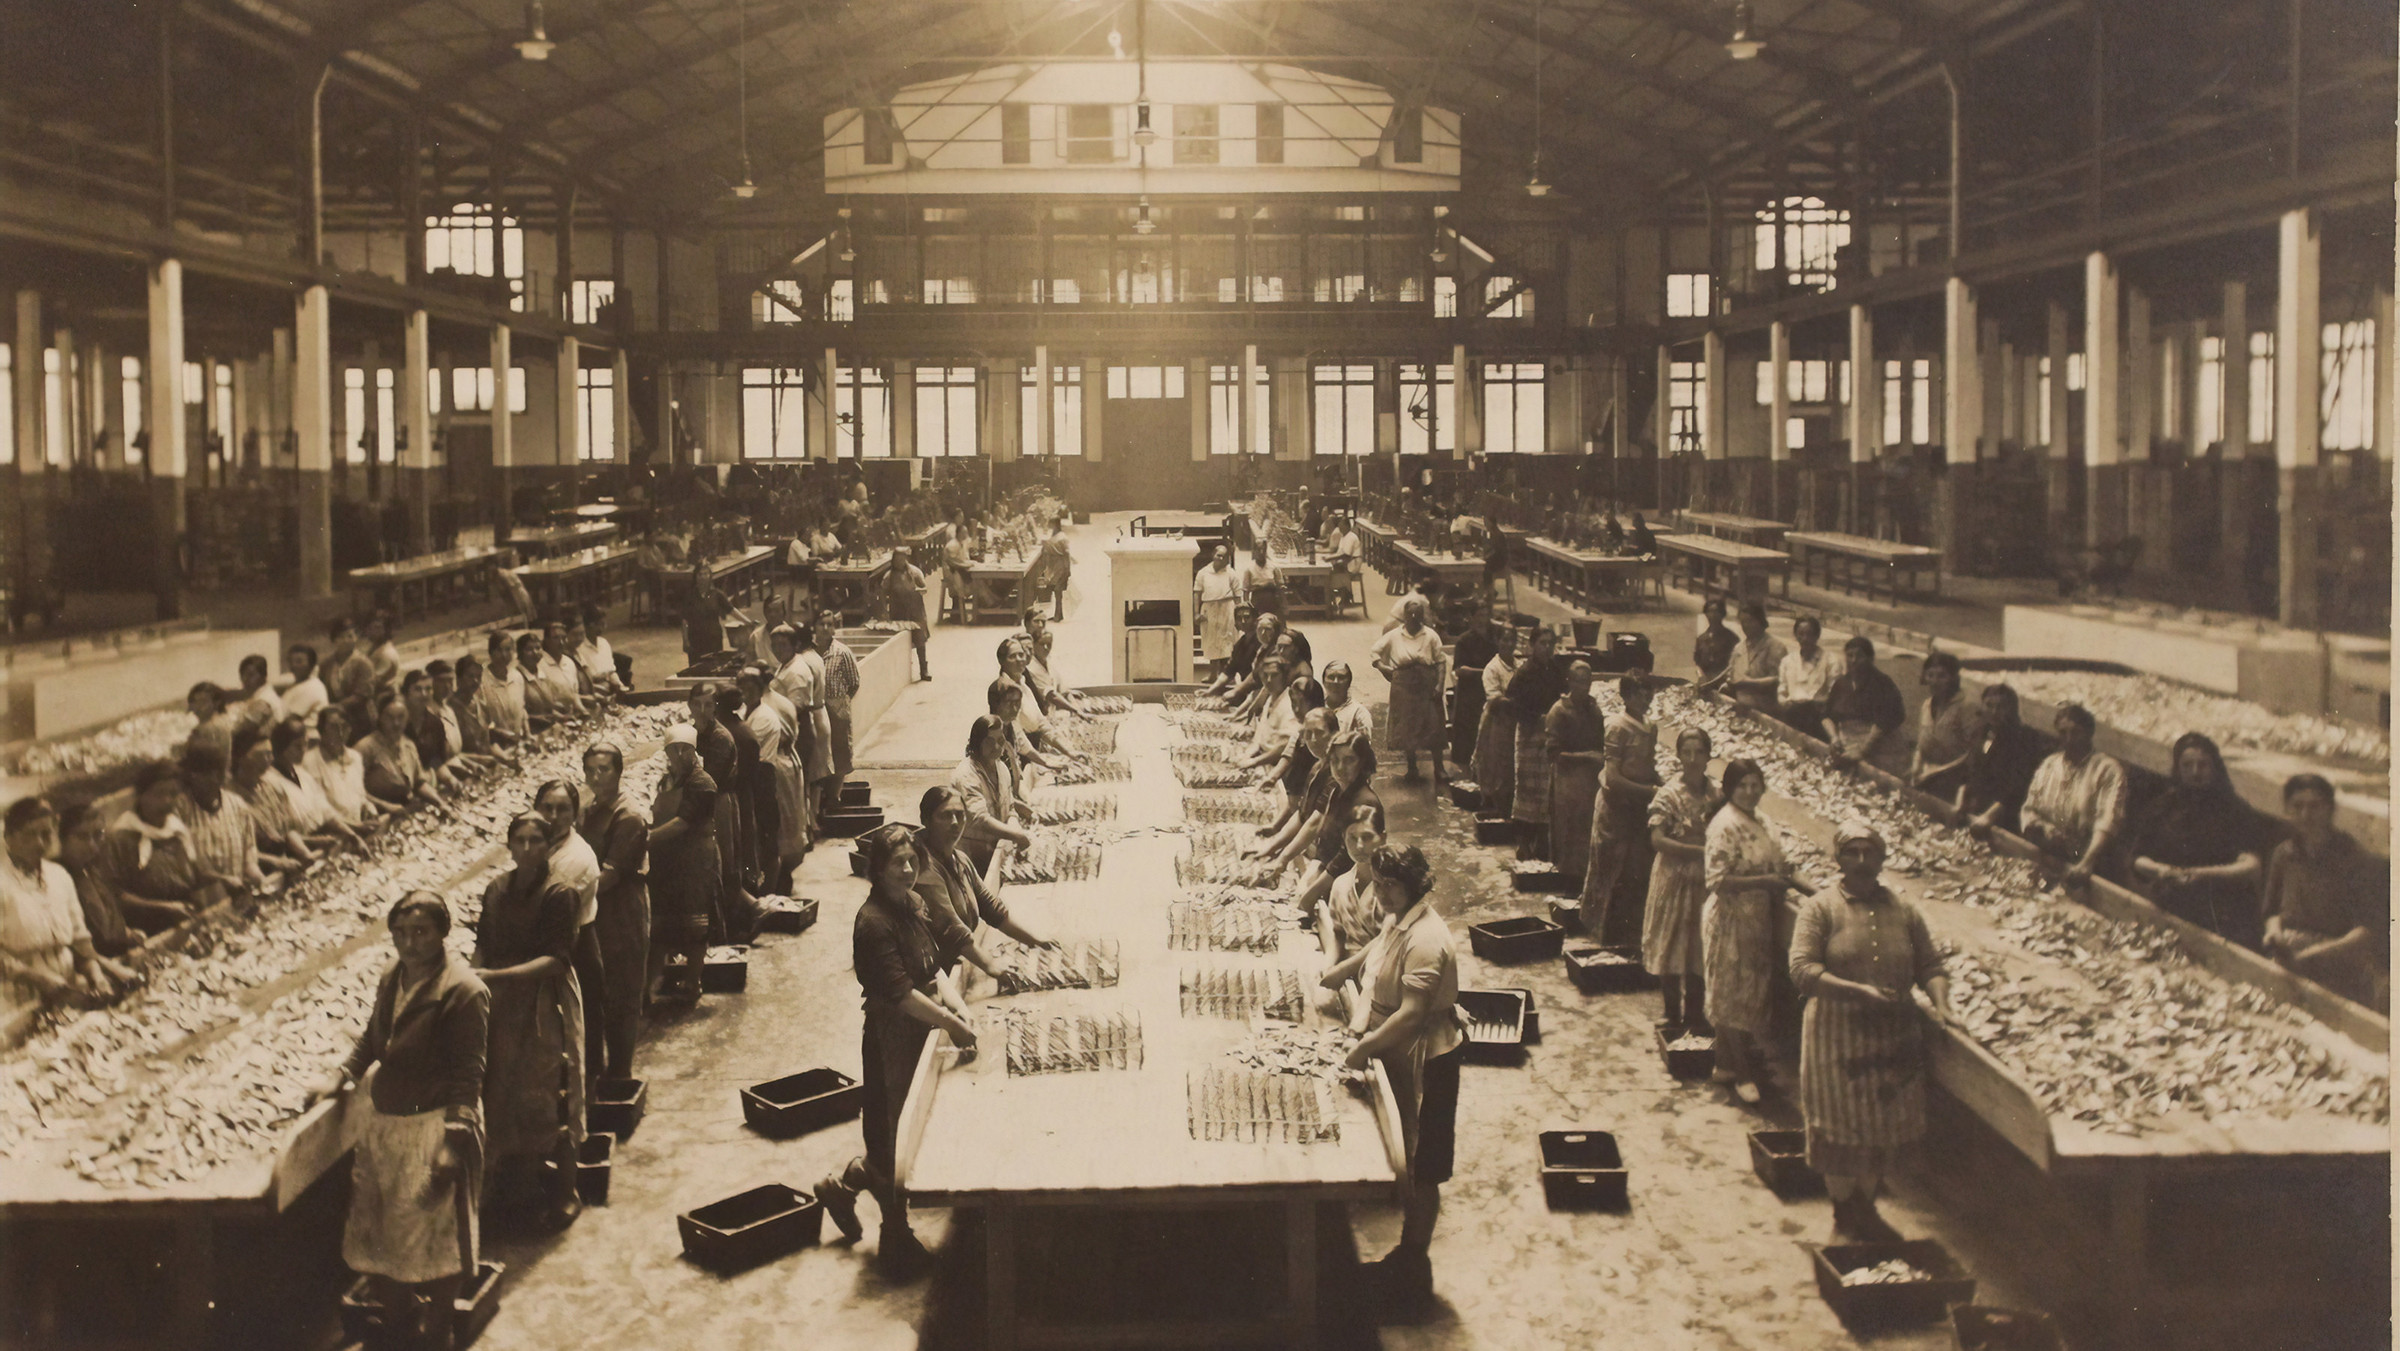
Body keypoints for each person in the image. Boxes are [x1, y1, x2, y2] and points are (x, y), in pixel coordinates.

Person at [310, 892, 489, 1349]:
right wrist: (342, 1075)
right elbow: (373, 1038)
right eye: (401, 933)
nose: (409, 943)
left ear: (443, 933)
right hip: (386, 1125)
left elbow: (469, 1075)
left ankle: (439, 1333)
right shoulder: (394, 976)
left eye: (421, 932)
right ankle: (398, 1326)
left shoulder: (463, 991)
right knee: (386, 1235)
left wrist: (454, 1142)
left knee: (436, 1239)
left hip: (433, 1127)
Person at [817, 823, 985, 1276]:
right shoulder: (872, 922)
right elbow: (901, 994)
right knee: (896, 1136)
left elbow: (934, 971)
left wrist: (958, 1010)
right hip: (892, 1035)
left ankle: (841, 1185)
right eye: (898, 863)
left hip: (921, 1025)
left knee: (903, 1133)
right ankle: (896, 1238)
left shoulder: (914, 903)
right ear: (877, 868)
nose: (908, 870)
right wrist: (951, 1023)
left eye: (913, 860)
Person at [1790, 820, 1955, 1244]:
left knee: (1882, 1127)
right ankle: (1846, 1213)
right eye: (1853, 852)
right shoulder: (1821, 908)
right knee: (1838, 1128)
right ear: (1839, 858)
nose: (1862, 862)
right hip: (1835, 1036)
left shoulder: (1904, 910)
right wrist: (1858, 992)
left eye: (1870, 853)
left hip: (1891, 1037)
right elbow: (1803, 970)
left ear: (1882, 859)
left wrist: (1942, 1006)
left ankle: (1865, 1208)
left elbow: (1931, 965)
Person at [1321, 845, 1462, 1303]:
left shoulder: (1427, 938)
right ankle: (1405, 1261)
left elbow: (1413, 1014)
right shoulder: (1396, 919)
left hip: (1428, 1058)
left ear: (1414, 886)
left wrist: (1362, 1046)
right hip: (1395, 1049)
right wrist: (1347, 976)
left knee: (1423, 1167)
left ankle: (1414, 1269)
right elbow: (1376, 958)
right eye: (1377, 883)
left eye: (1390, 885)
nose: (1380, 893)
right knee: (1403, 1153)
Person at [474, 814, 585, 1230]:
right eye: (518, 840)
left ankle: (566, 1191)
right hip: (501, 1006)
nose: (525, 848)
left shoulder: (560, 894)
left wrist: (497, 978)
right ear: (508, 845)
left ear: (547, 846)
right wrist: (473, 983)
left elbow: (556, 960)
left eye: (535, 841)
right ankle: (515, 1189)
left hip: (542, 1004)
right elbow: (483, 945)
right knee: (501, 1093)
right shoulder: (496, 890)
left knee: (551, 1092)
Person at [1704, 758, 1797, 1106]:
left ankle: (1725, 1064)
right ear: (1729, 788)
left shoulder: (1765, 822)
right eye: (1742, 785)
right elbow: (1716, 880)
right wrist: (1765, 882)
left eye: (1755, 784)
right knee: (1730, 997)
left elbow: (1786, 867)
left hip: (1756, 920)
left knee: (1746, 995)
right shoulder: (1724, 825)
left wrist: (1820, 894)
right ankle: (1742, 1073)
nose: (1749, 791)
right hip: (1729, 920)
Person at [2125, 733, 2271, 944]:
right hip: (2173, 904)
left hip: (2222, 912)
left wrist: (2203, 874)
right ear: (2178, 768)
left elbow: (2252, 866)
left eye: (2202, 765)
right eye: (2187, 765)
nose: (2195, 772)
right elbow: (2138, 858)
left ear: (2214, 768)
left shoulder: (2234, 809)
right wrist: (2160, 871)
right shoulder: (2163, 807)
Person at [2260, 774, 2387, 1009]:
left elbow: (2366, 932)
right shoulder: (2284, 854)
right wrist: (2274, 933)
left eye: (2315, 807)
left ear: (2330, 810)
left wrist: (2313, 955)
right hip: (2291, 953)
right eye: (2297, 807)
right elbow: (2271, 911)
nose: (2306, 815)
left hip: (2339, 962)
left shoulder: (2354, 858)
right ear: (2287, 809)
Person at [3, 798, 136, 1006]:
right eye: (30, 835)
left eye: (46, 834)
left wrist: (96, 975)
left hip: (69, 987)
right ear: (8, 837)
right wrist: (39, 979)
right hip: (18, 995)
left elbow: (80, 941)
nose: (39, 843)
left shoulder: (59, 876)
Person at [579, 743, 650, 1083]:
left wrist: (566, 894)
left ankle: (621, 1071)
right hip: (595, 910)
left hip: (621, 909)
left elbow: (609, 877)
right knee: (600, 990)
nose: (596, 777)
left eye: (603, 769)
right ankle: (601, 1070)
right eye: (590, 770)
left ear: (619, 771)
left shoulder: (629, 817)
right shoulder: (592, 810)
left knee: (622, 989)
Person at [912, 786, 1054, 949]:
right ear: (926, 820)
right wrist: (991, 967)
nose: (954, 823)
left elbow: (991, 909)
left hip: (961, 951)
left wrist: (1035, 940)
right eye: (945, 816)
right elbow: (951, 928)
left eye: (960, 815)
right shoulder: (922, 867)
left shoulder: (960, 859)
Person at [1643, 728, 1718, 1034]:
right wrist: (1698, 850)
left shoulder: (1716, 795)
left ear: (1708, 756)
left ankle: (1696, 1013)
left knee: (1699, 947)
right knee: (1671, 942)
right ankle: (1672, 1012)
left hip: (1704, 881)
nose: (1692, 759)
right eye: (1686, 752)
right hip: (1673, 878)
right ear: (1678, 755)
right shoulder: (1669, 794)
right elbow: (1658, 840)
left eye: (1698, 752)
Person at [535, 779, 606, 1090]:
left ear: (575, 815)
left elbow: (542, 909)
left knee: (580, 1030)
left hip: (574, 949)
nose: (553, 815)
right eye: (546, 807)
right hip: (550, 945)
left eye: (562, 809)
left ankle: (585, 1101)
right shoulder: (542, 843)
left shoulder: (576, 858)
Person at [1581, 676, 1662, 946]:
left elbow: (1648, 766)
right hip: (1615, 807)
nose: (1645, 699)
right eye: (1638, 694)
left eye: (1647, 693)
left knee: (1634, 871)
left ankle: (1629, 934)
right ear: (1626, 697)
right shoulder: (1616, 727)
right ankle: (1602, 931)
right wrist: (1650, 791)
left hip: (1637, 809)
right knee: (1609, 866)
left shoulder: (1651, 727)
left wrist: (1663, 785)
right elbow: (1613, 778)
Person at [646, 726, 719, 1002]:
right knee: (662, 922)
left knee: (695, 923)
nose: (678, 754)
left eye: (684, 749)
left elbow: (682, 823)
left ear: (693, 751)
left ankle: (692, 981)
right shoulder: (667, 781)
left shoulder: (703, 783)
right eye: (673, 749)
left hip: (694, 862)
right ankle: (655, 982)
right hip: (666, 861)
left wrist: (646, 839)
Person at [2019, 704, 2127, 883]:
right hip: (2051, 854)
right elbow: (2030, 808)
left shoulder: (2107, 769)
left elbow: (2108, 820)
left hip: (2091, 862)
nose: (2069, 739)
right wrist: (2045, 829)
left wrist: (2087, 862)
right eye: (2063, 733)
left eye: (2076, 732)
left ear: (2089, 733)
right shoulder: (2050, 765)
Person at [58, 801, 171, 954]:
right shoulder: (59, 879)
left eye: (98, 835)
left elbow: (115, 900)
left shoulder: (93, 868)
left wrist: (127, 931)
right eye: (82, 836)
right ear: (63, 839)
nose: (92, 845)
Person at [734, 666, 806, 891]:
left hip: (769, 773)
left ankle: (778, 881)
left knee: (775, 831)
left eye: (750, 689)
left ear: (760, 689)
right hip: (764, 772)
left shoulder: (764, 716)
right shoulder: (751, 712)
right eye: (742, 690)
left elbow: (753, 756)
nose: (746, 694)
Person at [1369, 596, 1448, 789]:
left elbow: (1441, 661)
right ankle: (1412, 767)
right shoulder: (1394, 635)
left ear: (1422, 617)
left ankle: (1439, 767)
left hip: (1426, 681)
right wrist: (1383, 667)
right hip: (1403, 683)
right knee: (1406, 726)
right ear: (1404, 617)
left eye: (1417, 615)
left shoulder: (1431, 635)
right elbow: (1374, 652)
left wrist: (1439, 685)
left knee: (1433, 725)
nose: (1414, 618)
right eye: (1410, 615)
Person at [1544, 660, 1606, 896]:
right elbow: (1553, 754)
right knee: (1569, 831)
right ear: (1569, 682)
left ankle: (1584, 883)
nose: (1585, 686)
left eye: (1588, 681)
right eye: (1579, 681)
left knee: (1588, 831)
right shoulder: (1558, 711)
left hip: (1590, 782)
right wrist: (1586, 757)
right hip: (1568, 781)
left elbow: (1599, 742)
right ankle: (1569, 885)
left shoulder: (1593, 708)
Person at [1506, 624, 1568, 859]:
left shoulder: (1555, 670)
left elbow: (1563, 696)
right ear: (1532, 646)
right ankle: (1523, 841)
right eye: (1542, 643)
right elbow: (1513, 704)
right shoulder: (1523, 673)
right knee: (1526, 788)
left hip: (1549, 735)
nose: (1546, 648)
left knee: (1546, 789)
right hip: (1529, 734)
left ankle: (1542, 841)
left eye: (1550, 644)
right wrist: (1535, 718)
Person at [179, 742, 272, 893]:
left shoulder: (237, 806)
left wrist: (257, 876)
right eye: (206, 774)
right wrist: (222, 880)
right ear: (192, 776)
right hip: (204, 900)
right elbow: (186, 866)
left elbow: (248, 854)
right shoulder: (181, 810)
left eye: (218, 774)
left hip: (238, 894)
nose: (213, 780)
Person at [953, 715, 1035, 874]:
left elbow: (1009, 807)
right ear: (977, 743)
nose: (997, 747)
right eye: (990, 742)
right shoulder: (965, 775)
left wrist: (1016, 827)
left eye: (1001, 740)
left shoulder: (1002, 769)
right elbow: (980, 819)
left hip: (996, 849)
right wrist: (1016, 835)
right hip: (973, 855)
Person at [1960, 684, 2044, 837]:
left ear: (2012, 710)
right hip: (1978, 807)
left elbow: (2018, 786)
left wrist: (1988, 817)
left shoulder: (2023, 739)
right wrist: (1960, 804)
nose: (1994, 712)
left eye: (2001, 707)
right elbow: (1969, 771)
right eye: (1989, 706)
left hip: (2005, 814)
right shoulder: (1980, 731)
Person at [1824, 636, 1908, 776]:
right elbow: (1827, 715)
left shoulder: (1883, 683)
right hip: (1849, 740)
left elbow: (1886, 721)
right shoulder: (1841, 684)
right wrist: (1834, 737)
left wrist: (1862, 751)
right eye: (1849, 655)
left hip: (1879, 745)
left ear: (1870, 659)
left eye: (1860, 656)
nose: (1853, 661)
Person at [1468, 626, 1527, 818]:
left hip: (1517, 720)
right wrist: (1517, 700)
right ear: (1498, 641)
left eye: (1512, 640)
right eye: (1505, 640)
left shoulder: (1520, 665)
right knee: (1498, 764)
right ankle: (1500, 808)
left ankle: (1514, 808)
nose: (1509, 644)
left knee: (1515, 763)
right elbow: (1494, 699)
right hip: (1498, 722)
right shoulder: (1492, 668)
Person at [1908, 653, 1982, 804]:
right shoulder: (1927, 705)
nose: (1935, 682)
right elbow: (1921, 744)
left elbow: (1972, 755)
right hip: (1928, 778)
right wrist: (1916, 767)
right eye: (1930, 675)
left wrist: (1934, 773)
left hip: (1958, 783)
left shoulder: (1967, 707)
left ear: (1954, 678)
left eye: (1942, 676)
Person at [1322, 804, 1389, 956]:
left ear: (1383, 838)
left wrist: (1340, 972)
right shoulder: (1341, 885)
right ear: (1343, 839)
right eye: (1352, 838)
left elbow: (1389, 942)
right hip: (1350, 973)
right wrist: (1328, 967)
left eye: (1367, 837)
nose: (1359, 846)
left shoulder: (1394, 887)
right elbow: (1338, 936)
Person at [362, 694, 446, 814]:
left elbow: (419, 783)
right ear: (380, 718)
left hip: (405, 812)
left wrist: (440, 803)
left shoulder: (408, 745)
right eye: (390, 717)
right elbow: (353, 790)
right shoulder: (366, 748)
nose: (396, 723)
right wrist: (385, 806)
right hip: (378, 814)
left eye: (401, 717)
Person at [816, 614, 863, 819]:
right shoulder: (809, 653)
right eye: (821, 624)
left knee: (839, 751)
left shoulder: (842, 652)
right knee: (820, 753)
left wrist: (840, 704)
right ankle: (820, 798)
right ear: (815, 627)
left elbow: (854, 682)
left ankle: (834, 797)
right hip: (817, 708)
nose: (825, 628)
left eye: (829, 625)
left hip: (837, 708)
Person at [307, 707, 386, 830]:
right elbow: (319, 810)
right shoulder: (310, 761)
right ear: (321, 730)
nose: (340, 732)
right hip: (332, 832)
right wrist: (355, 826)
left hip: (358, 828)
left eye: (344, 727)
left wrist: (369, 808)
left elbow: (360, 795)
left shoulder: (355, 757)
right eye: (333, 727)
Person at [1702, 602, 1785, 717]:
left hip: (1766, 709)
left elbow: (1779, 680)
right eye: (1743, 622)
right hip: (1741, 707)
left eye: (1750, 621)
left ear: (1760, 621)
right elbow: (1729, 671)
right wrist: (1710, 685)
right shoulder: (1739, 647)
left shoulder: (1775, 646)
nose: (1746, 625)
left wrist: (1749, 683)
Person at [1446, 601, 1501, 771]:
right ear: (1470, 618)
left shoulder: (1495, 637)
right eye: (1479, 616)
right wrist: (1487, 672)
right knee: (1468, 736)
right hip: (1470, 694)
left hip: (1489, 691)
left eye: (1486, 616)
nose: (1483, 620)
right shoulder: (1464, 640)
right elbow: (1461, 670)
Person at [1776, 617, 1835, 739]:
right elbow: (1782, 691)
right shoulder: (1788, 661)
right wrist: (1784, 702)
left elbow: (1834, 693)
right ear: (1795, 635)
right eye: (1801, 634)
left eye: (1810, 634)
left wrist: (1816, 702)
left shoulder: (1830, 660)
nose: (1805, 639)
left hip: (1817, 719)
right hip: (1792, 716)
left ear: (1817, 635)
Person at [324, 617, 379, 740]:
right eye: (341, 637)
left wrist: (337, 706)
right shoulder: (327, 664)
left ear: (356, 638)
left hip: (361, 718)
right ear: (334, 640)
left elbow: (363, 694)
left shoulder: (363, 663)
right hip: (337, 718)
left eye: (350, 636)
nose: (346, 640)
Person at [473, 634, 531, 749]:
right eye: (499, 650)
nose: (504, 655)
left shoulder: (517, 676)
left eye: (508, 649)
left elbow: (522, 710)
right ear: (491, 652)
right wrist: (502, 734)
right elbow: (481, 721)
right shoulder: (481, 681)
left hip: (518, 742)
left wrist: (527, 733)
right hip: (495, 745)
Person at [882, 555, 931, 682]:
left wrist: (917, 591)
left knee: (920, 639)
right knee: (900, 641)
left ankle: (923, 670)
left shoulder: (915, 572)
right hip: (898, 612)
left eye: (901, 559)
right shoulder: (889, 576)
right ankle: (902, 671)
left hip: (915, 611)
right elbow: (883, 593)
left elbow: (924, 588)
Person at [1195, 545, 1241, 678]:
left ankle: (1226, 676)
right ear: (1213, 555)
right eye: (1218, 555)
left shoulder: (1231, 573)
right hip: (1209, 610)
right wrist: (1196, 613)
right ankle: (1213, 675)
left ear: (1228, 559)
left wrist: (1239, 615)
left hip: (1227, 609)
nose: (1221, 558)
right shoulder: (1203, 573)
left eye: (1224, 556)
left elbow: (1238, 596)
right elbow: (1196, 593)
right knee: (1211, 643)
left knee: (1227, 643)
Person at [1203, 603, 1261, 698]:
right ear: (1235, 623)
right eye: (1239, 618)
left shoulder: (1261, 642)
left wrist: (1236, 691)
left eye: (1247, 617)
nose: (1243, 621)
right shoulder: (1240, 644)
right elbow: (1229, 671)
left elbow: (1256, 674)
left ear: (1255, 620)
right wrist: (1210, 691)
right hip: (1247, 689)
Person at [576, 604, 626, 698]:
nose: (602, 628)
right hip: (592, 693)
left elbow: (611, 671)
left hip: (610, 691)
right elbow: (584, 681)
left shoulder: (604, 643)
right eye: (598, 625)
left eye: (603, 624)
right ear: (588, 626)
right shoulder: (579, 648)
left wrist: (619, 684)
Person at [1320, 659, 1373, 743]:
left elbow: (1363, 750)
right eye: (1331, 677)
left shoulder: (1359, 713)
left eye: (1341, 677)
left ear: (1349, 682)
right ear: (1323, 681)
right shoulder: (1316, 708)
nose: (1335, 682)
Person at [185, 682, 238, 766]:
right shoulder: (223, 721)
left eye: (203, 702)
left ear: (217, 703)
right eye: (195, 702)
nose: (198, 706)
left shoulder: (208, 727)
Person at [231, 655, 282, 736]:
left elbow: (242, 731)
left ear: (263, 676)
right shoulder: (262, 694)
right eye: (242, 675)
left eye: (250, 675)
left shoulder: (263, 700)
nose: (245, 679)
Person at [1691, 598, 1736, 689]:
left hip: (1725, 683)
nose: (1713, 615)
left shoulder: (1731, 638)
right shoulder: (1701, 639)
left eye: (1716, 612)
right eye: (1710, 612)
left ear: (1722, 614)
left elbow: (1735, 664)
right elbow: (1697, 662)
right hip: (1705, 682)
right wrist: (1701, 675)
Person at [280, 643, 329, 721]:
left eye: (299, 662)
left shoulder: (313, 687)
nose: (293, 665)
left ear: (311, 665)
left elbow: (290, 718)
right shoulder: (296, 684)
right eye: (291, 661)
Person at [1236, 541, 1281, 617]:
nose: (1261, 552)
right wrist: (1248, 607)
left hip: (1272, 600)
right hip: (1257, 600)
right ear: (1254, 551)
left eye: (1263, 550)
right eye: (1258, 550)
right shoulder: (1249, 569)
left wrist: (1281, 605)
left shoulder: (1274, 567)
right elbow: (1245, 591)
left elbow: (1280, 587)